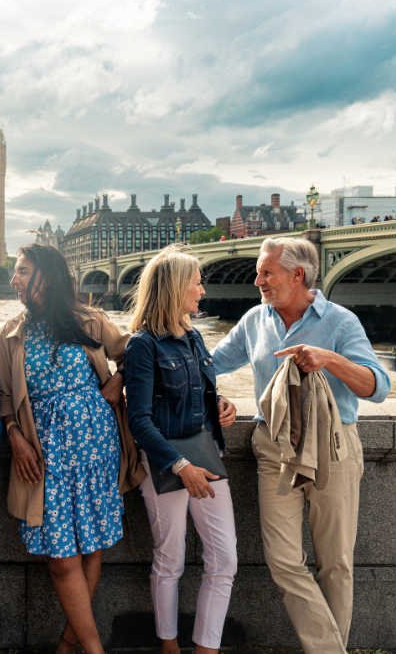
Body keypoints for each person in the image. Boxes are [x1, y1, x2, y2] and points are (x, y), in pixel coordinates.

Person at [212, 237, 390, 654]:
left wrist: (329, 359)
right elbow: (208, 364)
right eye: (259, 271)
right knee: (283, 560)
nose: (257, 280)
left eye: (266, 272)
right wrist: (211, 397)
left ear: (297, 275)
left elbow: (377, 387)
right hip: (274, 449)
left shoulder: (342, 322)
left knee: (335, 564)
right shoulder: (255, 319)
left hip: (333, 449)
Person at [0, 243, 146, 654]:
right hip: (44, 456)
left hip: (95, 447)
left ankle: (68, 645)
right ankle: (91, 649)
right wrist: (14, 436)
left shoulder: (90, 321)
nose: (15, 280)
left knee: (90, 545)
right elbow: (4, 397)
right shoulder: (10, 334)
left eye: (22, 271)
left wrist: (121, 379)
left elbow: (136, 352)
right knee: (61, 558)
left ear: (47, 275)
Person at [123, 245, 239, 654]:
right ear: (175, 288)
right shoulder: (143, 345)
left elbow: (202, 393)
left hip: (206, 457)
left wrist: (221, 404)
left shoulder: (193, 337)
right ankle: (169, 648)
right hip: (167, 464)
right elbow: (138, 417)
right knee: (169, 559)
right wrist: (179, 464)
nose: (202, 291)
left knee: (224, 560)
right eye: (196, 282)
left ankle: (206, 649)